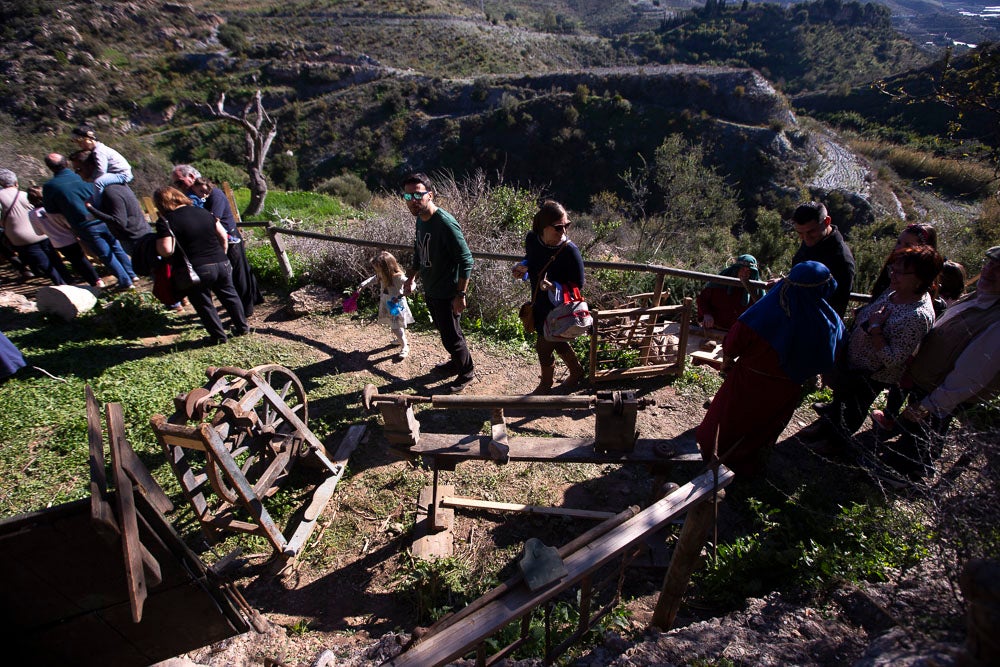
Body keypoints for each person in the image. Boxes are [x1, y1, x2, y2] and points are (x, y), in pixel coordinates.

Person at [695, 261, 845, 477]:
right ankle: (746, 464)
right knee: (762, 426)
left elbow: (735, 339)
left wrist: (727, 362)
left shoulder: (768, 309)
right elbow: (833, 354)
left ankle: (715, 456)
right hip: (786, 388)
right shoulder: (828, 321)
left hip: (749, 381)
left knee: (730, 420)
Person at [875, 245, 1000, 483]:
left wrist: (932, 404)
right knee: (917, 432)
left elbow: (971, 375)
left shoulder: (996, 321)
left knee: (923, 435)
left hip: (940, 394)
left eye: (999, 269)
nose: (989, 271)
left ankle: (904, 475)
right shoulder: (980, 298)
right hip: (927, 383)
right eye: (989, 264)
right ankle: (909, 465)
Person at [799, 246, 941, 449]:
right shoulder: (895, 290)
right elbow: (876, 310)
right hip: (854, 360)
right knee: (840, 399)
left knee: (854, 409)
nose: (894, 274)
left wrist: (875, 329)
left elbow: (893, 359)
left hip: (871, 374)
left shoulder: (918, 316)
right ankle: (825, 426)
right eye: (894, 269)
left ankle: (835, 444)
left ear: (920, 278)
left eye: (901, 272)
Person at [401, 173, 475, 393]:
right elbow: (419, 250)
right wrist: (412, 275)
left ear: (430, 195)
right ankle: (456, 363)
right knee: (446, 332)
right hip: (432, 288)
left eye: (418, 194)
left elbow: (466, 260)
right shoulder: (420, 219)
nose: (412, 200)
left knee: (452, 336)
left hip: (447, 292)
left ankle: (466, 373)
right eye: (407, 195)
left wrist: (460, 295)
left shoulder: (444, 223)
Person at [153, 187, 247, 345]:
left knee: (204, 303)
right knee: (230, 296)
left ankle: (218, 336)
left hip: (195, 268)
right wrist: (222, 254)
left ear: (162, 204)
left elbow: (166, 250)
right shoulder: (203, 212)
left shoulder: (166, 221)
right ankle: (242, 327)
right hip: (220, 261)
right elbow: (223, 235)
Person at [512, 200, 587, 394]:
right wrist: (523, 268)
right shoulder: (532, 240)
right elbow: (532, 260)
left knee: (543, 347)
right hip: (539, 305)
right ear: (543, 227)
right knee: (556, 340)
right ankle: (577, 372)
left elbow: (579, 284)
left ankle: (546, 384)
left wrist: (554, 287)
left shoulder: (570, 251)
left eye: (566, 226)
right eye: (558, 227)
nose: (563, 232)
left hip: (560, 309)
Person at [42, 153, 138, 289]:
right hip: (105, 217)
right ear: (67, 163)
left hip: (83, 224)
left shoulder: (50, 187)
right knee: (116, 246)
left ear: (49, 167)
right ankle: (132, 274)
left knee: (104, 254)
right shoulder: (86, 176)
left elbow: (52, 211)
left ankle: (125, 281)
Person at [190, 175, 262, 317]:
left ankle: (246, 308)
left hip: (230, 238)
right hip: (229, 236)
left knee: (237, 273)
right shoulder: (211, 196)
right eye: (198, 191)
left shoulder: (215, 196)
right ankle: (252, 300)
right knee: (242, 271)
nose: (200, 194)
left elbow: (214, 218)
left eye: (200, 190)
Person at [70, 150, 152, 257]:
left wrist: (93, 210)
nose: (77, 173)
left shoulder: (110, 190)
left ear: (90, 166)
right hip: (137, 236)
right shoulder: (112, 184)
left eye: (78, 169)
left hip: (135, 239)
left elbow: (119, 222)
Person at [26, 186, 104, 287]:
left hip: (57, 243)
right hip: (71, 238)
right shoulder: (52, 209)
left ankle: (90, 282)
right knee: (82, 259)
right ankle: (97, 279)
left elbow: (39, 232)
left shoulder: (31, 214)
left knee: (75, 262)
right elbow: (67, 223)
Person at [0, 168, 67, 285]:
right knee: (54, 258)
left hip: (19, 238)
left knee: (43, 262)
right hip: (41, 232)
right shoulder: (25, 194)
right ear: (16, 182)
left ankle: (60, 284)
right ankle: (68, 279)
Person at [788, 202, 856, 318]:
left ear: (827, 222)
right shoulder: (813, 241)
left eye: (811, 232)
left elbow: (835, 309)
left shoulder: (842, 260)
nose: (806, 238)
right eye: (800, 233)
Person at [869, 223, 937, 301]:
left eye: (907, 245)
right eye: (898, 243)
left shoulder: (919, 297)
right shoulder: (891, 265)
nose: (899, 248)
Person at [696, 254, 762, 331]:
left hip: (739, 334)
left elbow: (762, 312)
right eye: (742, 269)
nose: (745, 273)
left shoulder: (757, 289)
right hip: (715, 329)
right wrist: (707, 314)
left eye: (748, 271)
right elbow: (703, 299)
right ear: (737, 269)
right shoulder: (720, 281)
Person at [71, 125, 133, 206]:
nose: (80, 145)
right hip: (115, 174)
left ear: (89, 139)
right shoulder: (98, 150)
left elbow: (101, 170)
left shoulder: (99, 151)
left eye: (81, 142)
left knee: (98, 182)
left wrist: (91, 179)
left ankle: (99, 206)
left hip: (121, 174)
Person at [371, 251, 415, 359]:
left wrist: (409, 289)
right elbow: (374, 278)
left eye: (378, 269)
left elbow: (411, 283)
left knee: (395, 327)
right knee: (395, 324)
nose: (377, 271)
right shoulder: (382, 275)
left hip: (396, 305)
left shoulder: (398, 277)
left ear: (386, 268)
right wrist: (362, 285)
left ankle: (404, 346)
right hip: (387, 303)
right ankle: (400, 339)